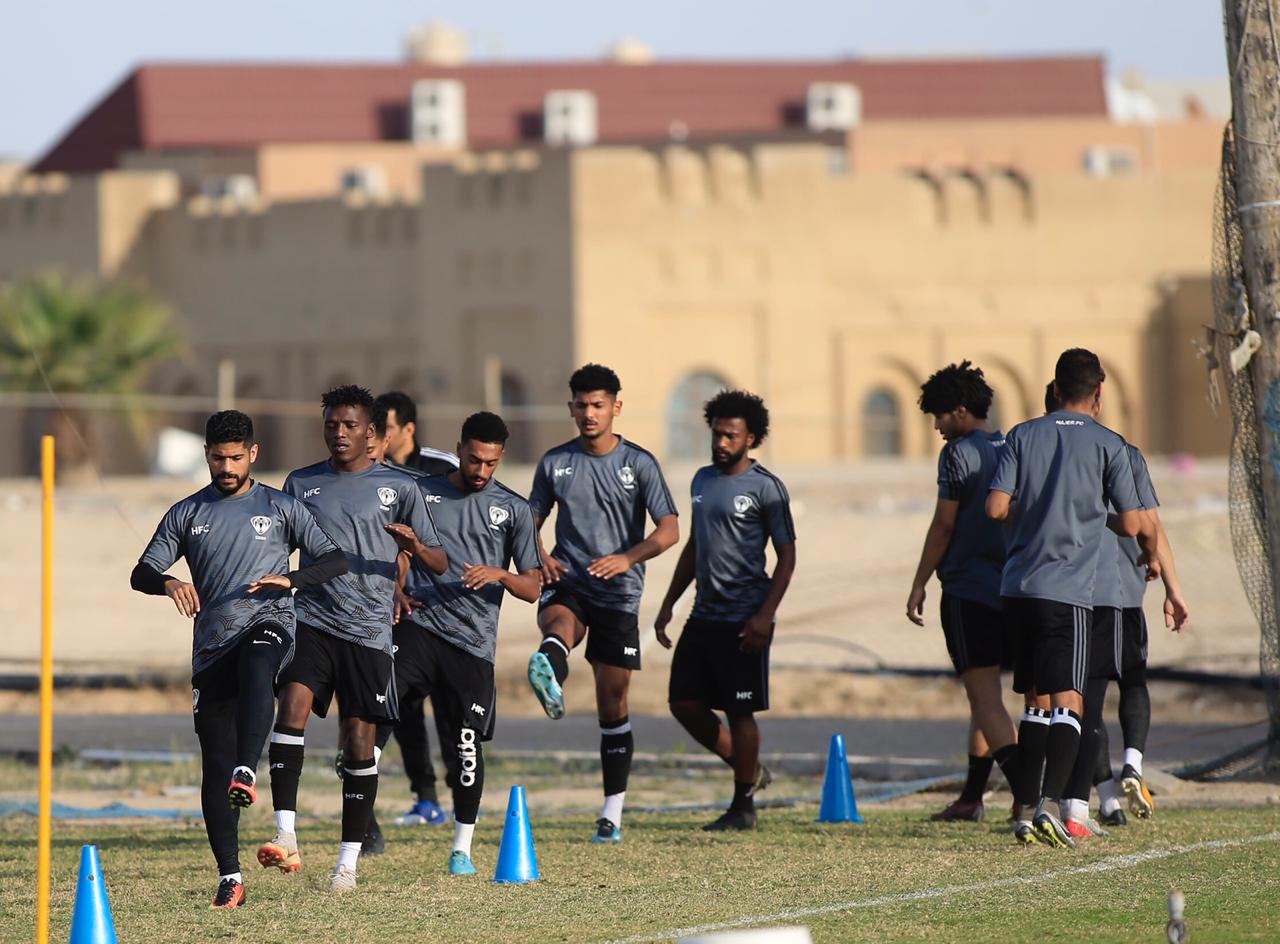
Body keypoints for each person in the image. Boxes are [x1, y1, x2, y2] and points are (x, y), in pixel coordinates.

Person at [130, 410, 348, 909]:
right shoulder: (187, 513)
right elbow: (140, 571)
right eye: (218, 457)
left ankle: (247, 773)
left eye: (235, 457)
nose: (226, 466)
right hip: (211, 646)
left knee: (258, 666)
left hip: (269, 623)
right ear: (206, 455)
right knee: (213, 765)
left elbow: (335, 560)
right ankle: (230, 877)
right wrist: (169, 582)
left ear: (254, 454)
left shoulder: (281, 507)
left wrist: (290, 580)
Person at [257, 385, 446, 892]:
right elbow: (277, 548)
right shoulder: (301, 483)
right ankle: (286, 833)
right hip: (312, 620)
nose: (339, 433)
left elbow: (441, 559)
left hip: (368, 632)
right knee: (290, 709)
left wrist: (413, 548)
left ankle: (347, 865)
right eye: (331, 425)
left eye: (349, 425)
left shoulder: (402, 486)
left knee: (360, 745)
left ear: (372, 433)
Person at [987, 349, 1157, 848]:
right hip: (1069, 591)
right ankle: (1053, 806)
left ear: (1056, 389)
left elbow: (997, 506)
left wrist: (1035, 508)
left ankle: (1022, 812)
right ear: (1099, 393)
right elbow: (1131, 523)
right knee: (1070, 702)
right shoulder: (1110, 445)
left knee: (1034, 702)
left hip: (1017, 588)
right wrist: (1087, 514)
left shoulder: (1021, 434)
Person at [525, 363, 680, 843]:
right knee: (556, 621)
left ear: (616, 407)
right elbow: (527, 521)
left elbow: (670, 529)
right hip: (570, 577)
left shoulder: (640, 463)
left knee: (612, 704)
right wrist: (542, 556)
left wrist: (626, 558)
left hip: (619, 590)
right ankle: (549, 661)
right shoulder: (554, 462)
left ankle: (611, 813)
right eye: (581, 405)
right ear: (570, 408)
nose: (589, 414)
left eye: (598, 405)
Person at [393, 411, 542, 874]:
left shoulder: (514, 510)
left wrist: (500, 573)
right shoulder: (424, 492)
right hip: (421, 624)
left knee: (466, 743)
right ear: (459, 449)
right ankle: (360, 767)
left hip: (473, 644)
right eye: (474, 460)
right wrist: (397, 589)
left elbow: (534, 587)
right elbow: (402, 548)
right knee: (380, 701)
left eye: (491, 464)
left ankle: (462, 847)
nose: (481, 471)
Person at [655, 390, 796, 830]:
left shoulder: (766, 489)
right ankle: (746, 766)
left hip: (744, 617)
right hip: (704, 614)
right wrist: (668, 603)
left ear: (750, 438)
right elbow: (696, 545)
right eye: (716, 433)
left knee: (740, 712)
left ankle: (743, 806)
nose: (720, 442)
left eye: (730, 435)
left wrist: (764, 616)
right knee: (683, 703)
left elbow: (787, 557)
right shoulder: (701, 481)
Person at [906, 362, 1019, 822]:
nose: (935, 427)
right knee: (985, 693)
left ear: (958, 410)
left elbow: (943, 524)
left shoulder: (957, 454)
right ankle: (973, 798)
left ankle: (1027, 793)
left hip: (969, 589)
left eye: (938, 416)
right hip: (1012, 588)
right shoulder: (1011, 446)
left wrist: (918, 582)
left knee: (985, 697)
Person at [376, 390, 458, 474]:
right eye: (376, 426)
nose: (377, 433)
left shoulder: (445, 465)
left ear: (409, 430)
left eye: (387, 427)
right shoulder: (370, 467)